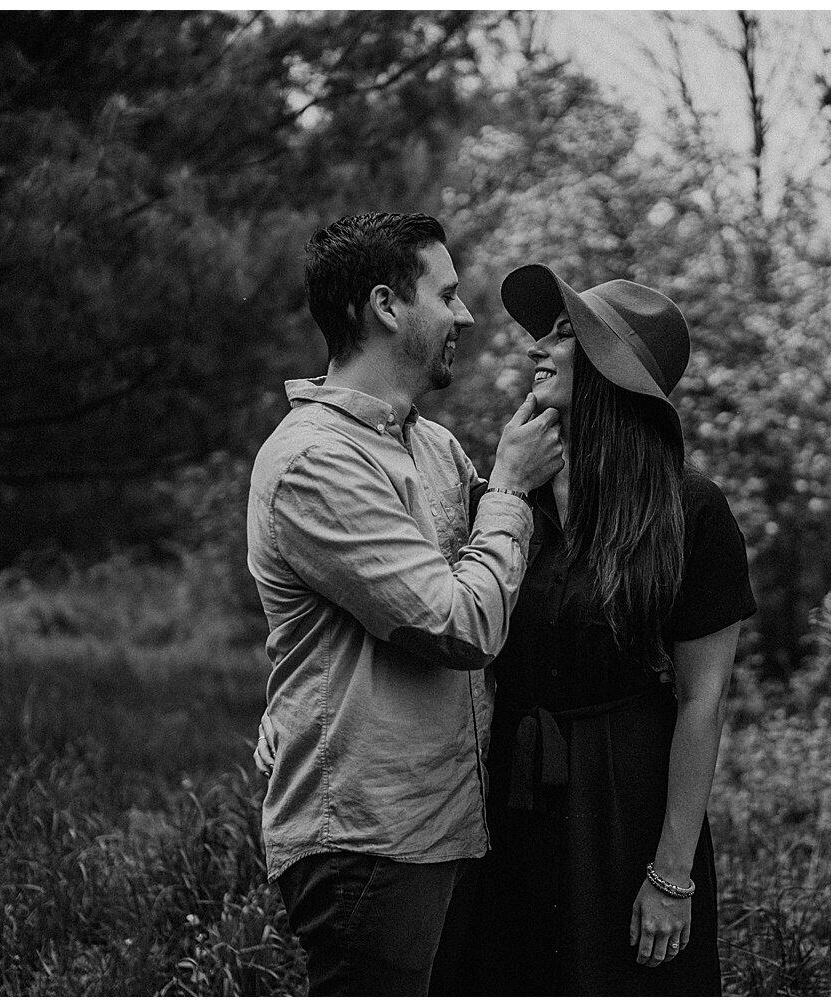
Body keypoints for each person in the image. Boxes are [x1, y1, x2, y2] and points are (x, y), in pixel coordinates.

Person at [245, 213, 563, 996]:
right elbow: (461, 623)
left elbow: (508, 573)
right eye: (447, 294)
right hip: (370, 842)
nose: (464, 314)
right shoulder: (315, 460)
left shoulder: (432, 447)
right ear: (386, 305)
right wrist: (514, 487)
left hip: (451, 823)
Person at [429, 264, 756, 995]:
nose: (535, 349)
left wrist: (671, 874)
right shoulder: (509, 498)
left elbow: (704, 700)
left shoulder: (689, 510)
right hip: (513, 807)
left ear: (611, 370)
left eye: (562, 335)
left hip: (625, 807)